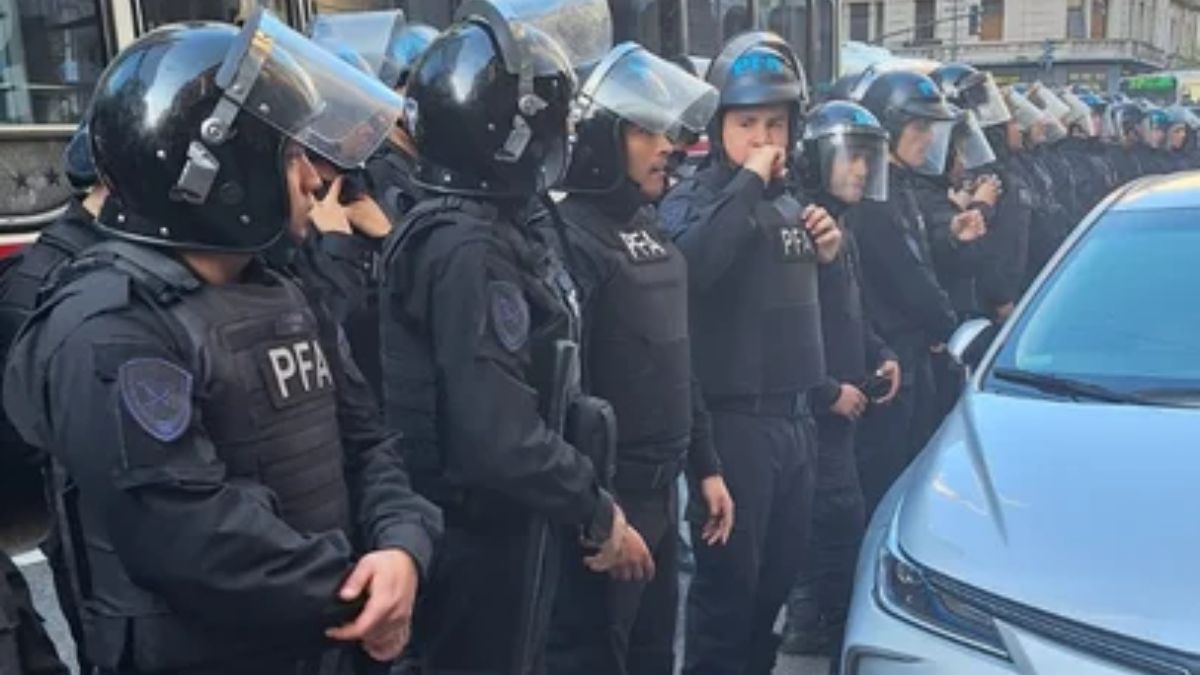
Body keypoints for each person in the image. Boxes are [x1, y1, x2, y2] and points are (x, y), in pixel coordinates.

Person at [3, 13, 442, 674]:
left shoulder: (284, 288)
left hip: (330, 643)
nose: (315, 180)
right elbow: (189, 537)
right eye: (292, 154)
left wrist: (402, 545)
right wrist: (358, 587)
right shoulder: (109, 322)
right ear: (216, 172)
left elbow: (368, 440)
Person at [377, 2, 654, 673]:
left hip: (496, 527)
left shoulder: (483, 224)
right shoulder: (470, 248)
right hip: (483, 537)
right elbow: (498, 434)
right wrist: (597, 510)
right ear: (510, 134)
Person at [537, 43, 732, 675]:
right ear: (598, 139)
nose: (666, 147)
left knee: (654, 656)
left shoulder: (648, 229)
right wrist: (597, 512)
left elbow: (679, 358)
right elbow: (560, 398)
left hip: (662, 489)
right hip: (608, 504)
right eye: (645, 130)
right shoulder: (566, 239)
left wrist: (706, 466)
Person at [659, 31, 842, 675]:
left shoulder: (790, 199)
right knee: (727, 598)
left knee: (774, 590)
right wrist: (745, 182)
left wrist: (829, 252)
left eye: (776, 123)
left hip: (796, 423)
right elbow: (694, 268)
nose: (765, 139)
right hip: (735, 425)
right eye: (748, 124)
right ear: (719, 125)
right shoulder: (695, 197)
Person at [779, 100, 899, 660]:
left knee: (842, 529)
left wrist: (881, 354)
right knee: (822, 534)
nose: (860, 170)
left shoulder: (839, 226)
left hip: (843, 412)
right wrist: (827, 390)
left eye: (866, 159)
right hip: (813, 417)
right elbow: (781, 331)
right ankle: (810, 638)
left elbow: (850, 311)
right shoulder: (800, 224)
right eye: (850, 157)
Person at [847, 69, 962, 512]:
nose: (929, 140)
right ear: (889, 128)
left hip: (913, 353)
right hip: (889, 362)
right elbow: (906, 274)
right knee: (887, 482)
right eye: (919, 128)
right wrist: (947, 325)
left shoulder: (900, 187)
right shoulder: (874, 197)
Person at [307, 13, 438, 400]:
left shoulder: (356, 185)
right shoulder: (296, 209)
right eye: (350, 114)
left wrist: (390, 237)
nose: (368, 126)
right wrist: (335, 242)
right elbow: (335, 329)